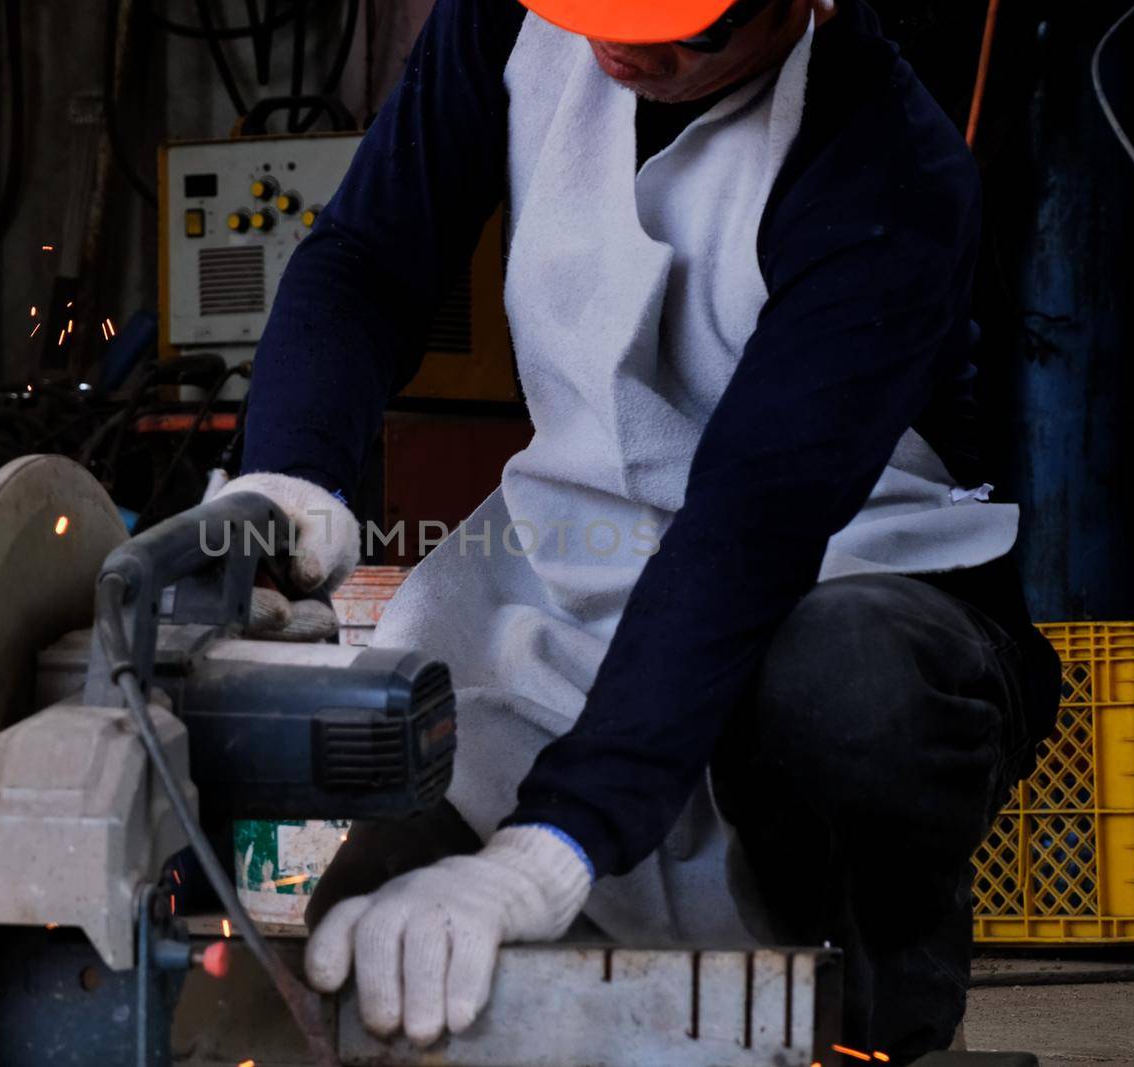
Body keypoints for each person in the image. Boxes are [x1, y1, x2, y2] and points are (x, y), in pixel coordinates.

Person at [213, 0, 1063, 1060]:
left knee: (854, 686)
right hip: (549, 613)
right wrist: (292, 474)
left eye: (690, 31)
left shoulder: (887, 164)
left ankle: (886, 1015)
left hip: (834, 585)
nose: (627, 48)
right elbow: (367, 261)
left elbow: (748, 526)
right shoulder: (501, 30)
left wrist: (548, 848)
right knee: (349, 982)